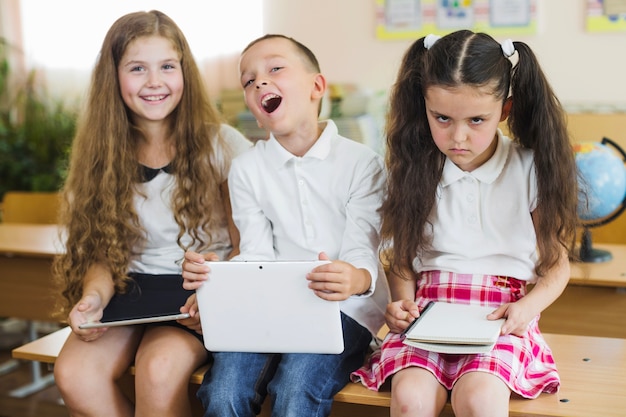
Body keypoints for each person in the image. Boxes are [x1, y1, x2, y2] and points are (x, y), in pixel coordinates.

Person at [351, 30, 579, 417]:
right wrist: (400, 304)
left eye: (477, 120)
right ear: (423, 105)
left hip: (500, 317)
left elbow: (557, 264)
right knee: (410, 400)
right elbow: (403, 258)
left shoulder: (529, 167)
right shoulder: (413, 168)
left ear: (504, 111)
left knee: (479, 400)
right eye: (441, 118)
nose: (458, 136)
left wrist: (528, 307)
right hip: (429, 313)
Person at [52, 10, 251, 417]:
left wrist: (214, 298)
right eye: (137, 68)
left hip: (196, 296)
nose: (155, 81)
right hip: (128, 291)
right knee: (74, 374)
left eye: (167, 67)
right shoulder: (100, 155)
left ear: (184, 73)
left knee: (158, 371)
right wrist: (93, 297)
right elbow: (103, 254)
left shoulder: (224, 145)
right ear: (114, 77)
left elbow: (246, 245)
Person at [181, 34, 390, 417]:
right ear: (253, 107)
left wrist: (356, 278)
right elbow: (255, 252)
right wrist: (219, 281)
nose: (260, 82)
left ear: (316, 86)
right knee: (224, 391)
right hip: (268, 308)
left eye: (275, 68)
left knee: (296, 388)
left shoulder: (362, 164)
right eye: (249, 80)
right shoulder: (246, 169)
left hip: (345, 311)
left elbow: (364, 250)